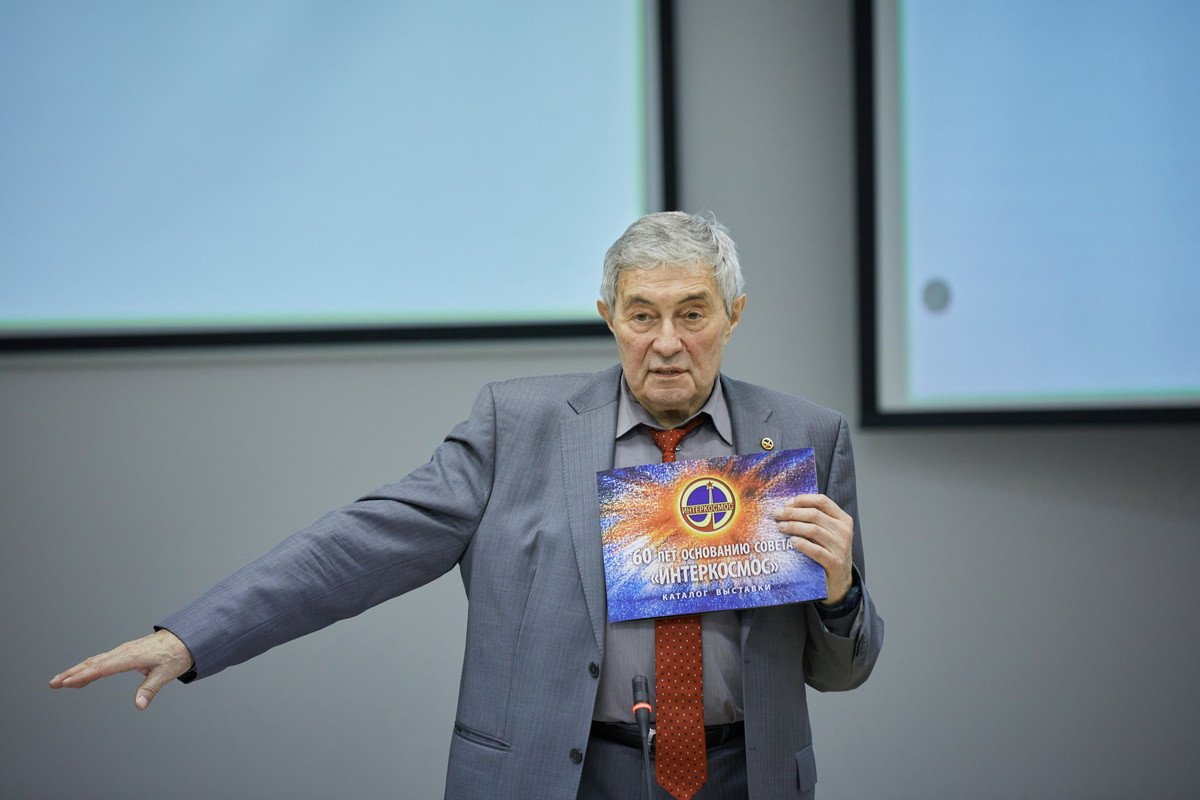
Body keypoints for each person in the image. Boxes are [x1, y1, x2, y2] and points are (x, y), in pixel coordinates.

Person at [50, 211, 882, 800]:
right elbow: (360, 545)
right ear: (608, 318)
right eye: (643, 315)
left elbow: (842, 669)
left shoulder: (802, 438)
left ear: (733, 316)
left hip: (743, 777)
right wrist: (192, 637)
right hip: (560, 776)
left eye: (692, 314)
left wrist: (840, 590)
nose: (667, 342)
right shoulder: (517, 426)